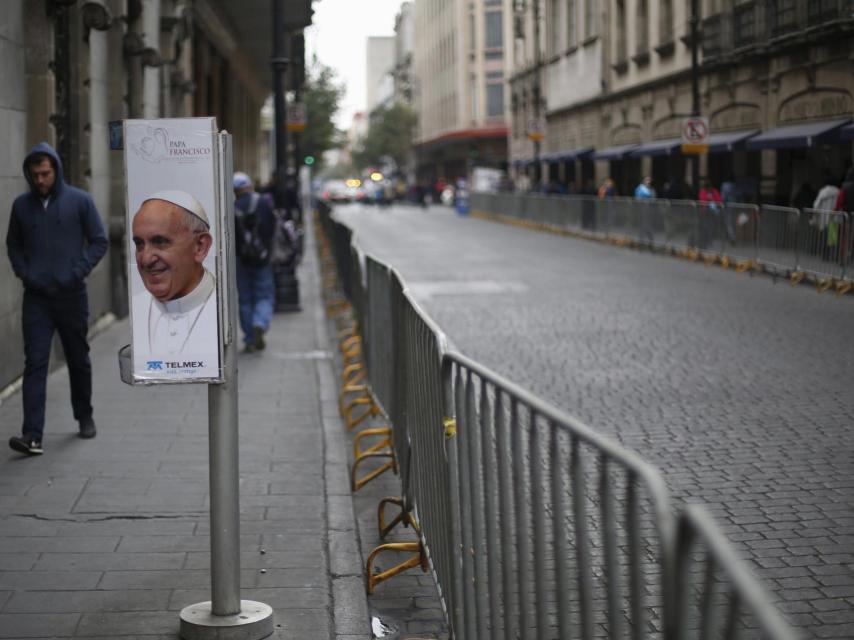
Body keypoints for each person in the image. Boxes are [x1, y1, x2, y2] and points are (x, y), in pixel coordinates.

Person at [6, 142, 108, 455]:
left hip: (71, 296)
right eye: (35, 174)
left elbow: (99, 241)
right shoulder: (22, 206)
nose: (40, 180)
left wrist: (77, 271)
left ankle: (84, 415)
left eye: (45, 173)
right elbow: (13, 245)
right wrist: (25, 273)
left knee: (77, 358)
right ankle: (32, 434)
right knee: (35, 363)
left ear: (56, 171)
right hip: (36, 298)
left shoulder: (79, 201)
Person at [130, 190, 217, 357]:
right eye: (139, 244)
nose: (146, 259)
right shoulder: (138, 305)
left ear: (200, 246)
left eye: (160, 242)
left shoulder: (221, 304)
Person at [233, 172, 276, 352]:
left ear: (235, 191)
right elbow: (272, 226)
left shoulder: (232, 207)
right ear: (249, 186)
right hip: (261, 257)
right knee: (264, 295)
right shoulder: (263, 202)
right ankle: (260, 322)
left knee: (245, 298)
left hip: (241, 259)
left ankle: (250, 338)